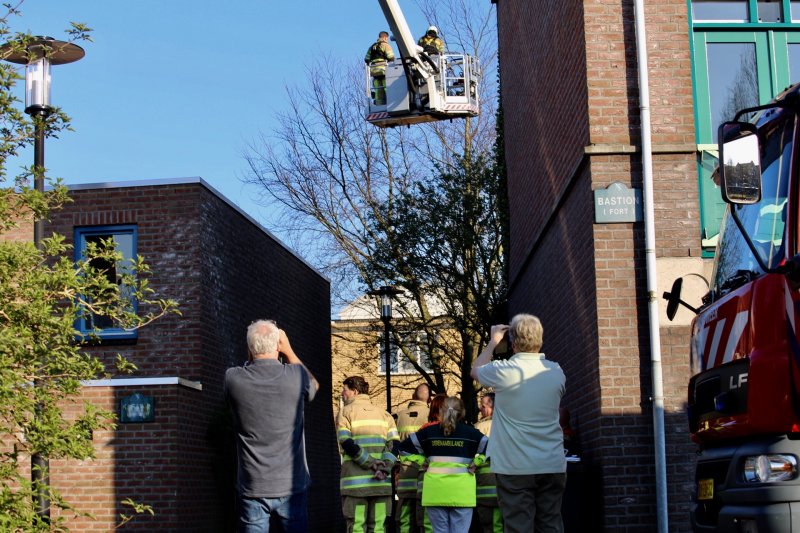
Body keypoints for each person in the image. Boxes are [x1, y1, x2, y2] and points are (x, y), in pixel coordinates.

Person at [470, 314, 567, 533]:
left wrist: (493, 341)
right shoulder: (557, 372)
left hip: (515, 467)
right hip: (552, 463)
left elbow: (475, 371)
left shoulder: (503, 371)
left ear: (513, 343)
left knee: (517, 527)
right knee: (551, 525)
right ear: (540, 340)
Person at [224, 320, 319, 533]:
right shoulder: (296, 375)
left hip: (253, 485)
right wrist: (289, 351)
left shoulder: (233, 378)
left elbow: (244, 373)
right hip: (291, 483)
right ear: (278, 345)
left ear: (249, 348)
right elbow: (315, 386)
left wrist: (252, 354)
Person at [398, 397, 488, 533]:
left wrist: (422, 461)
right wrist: (476, 462)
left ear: (441, 411)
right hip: (462, 494)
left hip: (435, 493)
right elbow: (494, 449)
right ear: (462, 413)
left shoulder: (429, 432)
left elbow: (403, 449)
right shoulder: (470, 433)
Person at [337, 376, 399, 533]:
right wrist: (384, 469)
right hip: (381, 484)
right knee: (378, 527)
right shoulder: (385, 415)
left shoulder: (345, 412)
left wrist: (371, 462)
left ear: (355, 392)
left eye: (345, 390)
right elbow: (394, 445)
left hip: (355, 487)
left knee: (357, 527)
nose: (342, 394)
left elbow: (345, 442)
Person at [394, 384, 432, 533]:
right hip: (424, 477)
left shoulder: (399, 416)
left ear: (412, 396)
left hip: (404, 477)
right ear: (429, 399)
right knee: (424, 522)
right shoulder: (432, 415)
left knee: (405, 522)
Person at [414, 393, 448, 532]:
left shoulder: (425, 430)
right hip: (453, 484)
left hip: (428, 482)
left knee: (428, 523)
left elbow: (411, 452)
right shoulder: (458, 429)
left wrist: (423, 462)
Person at [474, 393, 503, 533]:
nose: (480, 409)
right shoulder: (507, 424)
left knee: (489, 526)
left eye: (483, 406)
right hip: (506, 487)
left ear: (493, 407)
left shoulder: (481, 427)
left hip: (486, 487)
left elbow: (472, 456)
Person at [364, 31, 395, 106]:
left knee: (378, 90)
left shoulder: (372, 47)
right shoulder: (385, 45)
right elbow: (390, 57)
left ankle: (379, 104)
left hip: (374, 72)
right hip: (384, 71)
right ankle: (390, 103)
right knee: (387, 87)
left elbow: (366, 59)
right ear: (385, 37)